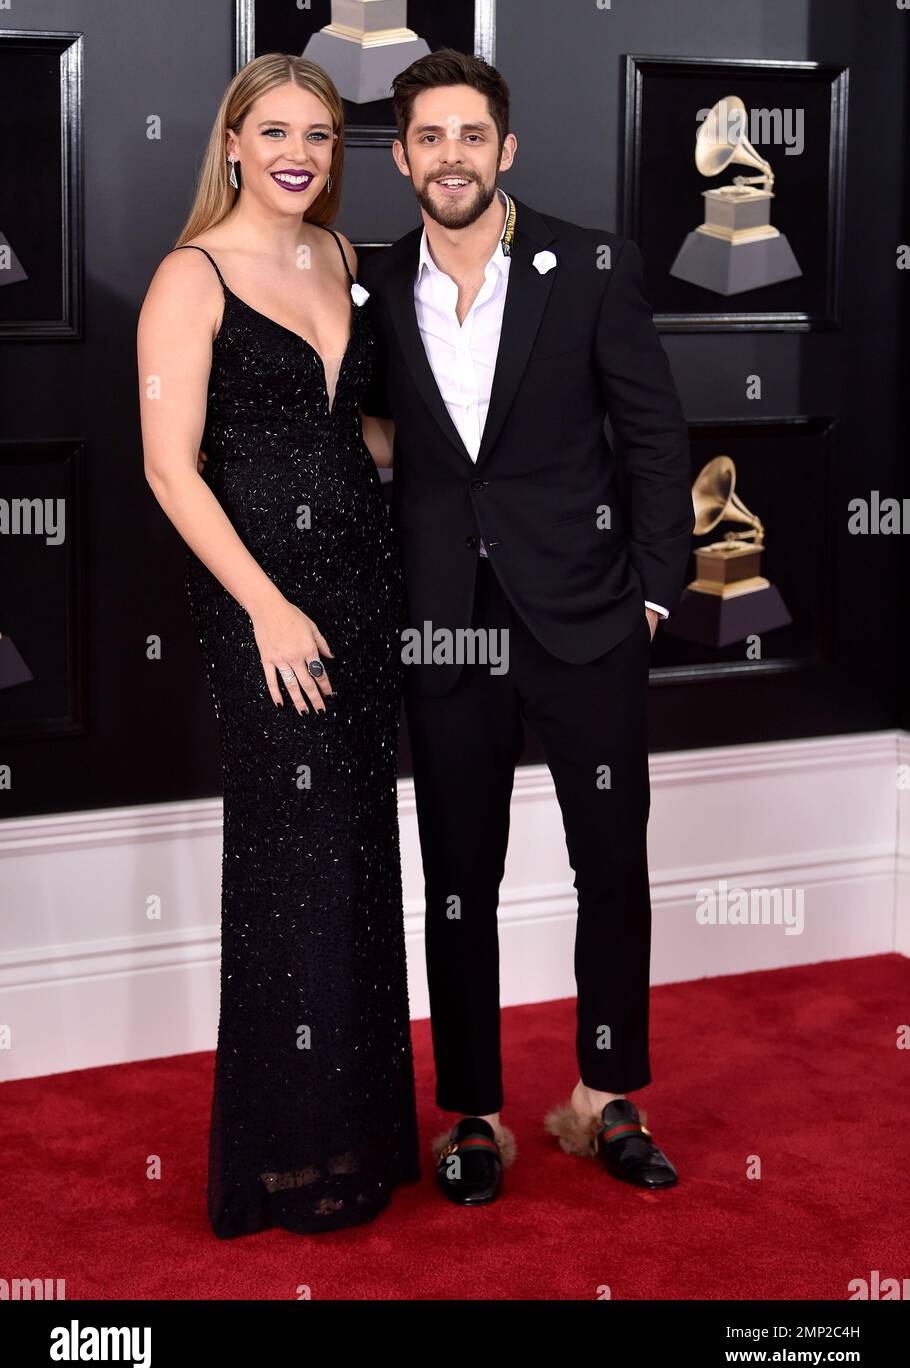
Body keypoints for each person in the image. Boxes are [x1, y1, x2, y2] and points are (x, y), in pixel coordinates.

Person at [360, 49, 693, 1205]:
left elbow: (653, 435)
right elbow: (376, 446)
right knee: (461, 874)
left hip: (588, 617)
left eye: (471, 135)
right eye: (428, 138)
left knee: (611, 866)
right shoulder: (372, 285)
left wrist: (653, 590)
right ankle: (474, 1114)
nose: (450, 155)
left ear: (504, 149)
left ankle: (606, 1101)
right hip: (446, 628)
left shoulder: (592, 266)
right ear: (400, 157)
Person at [137, 52, 419, 1237]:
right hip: (265, 599)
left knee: (356, 847)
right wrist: (262, 603)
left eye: (320, 131)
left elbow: (358, 425)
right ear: (236, 143)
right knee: (288, 862)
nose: (301, 149)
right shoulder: (189, 275)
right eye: (277, 130)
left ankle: (358, 1137)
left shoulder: (344, 260)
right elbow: (168, 465)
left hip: (362, 580)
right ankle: (284, 1158)